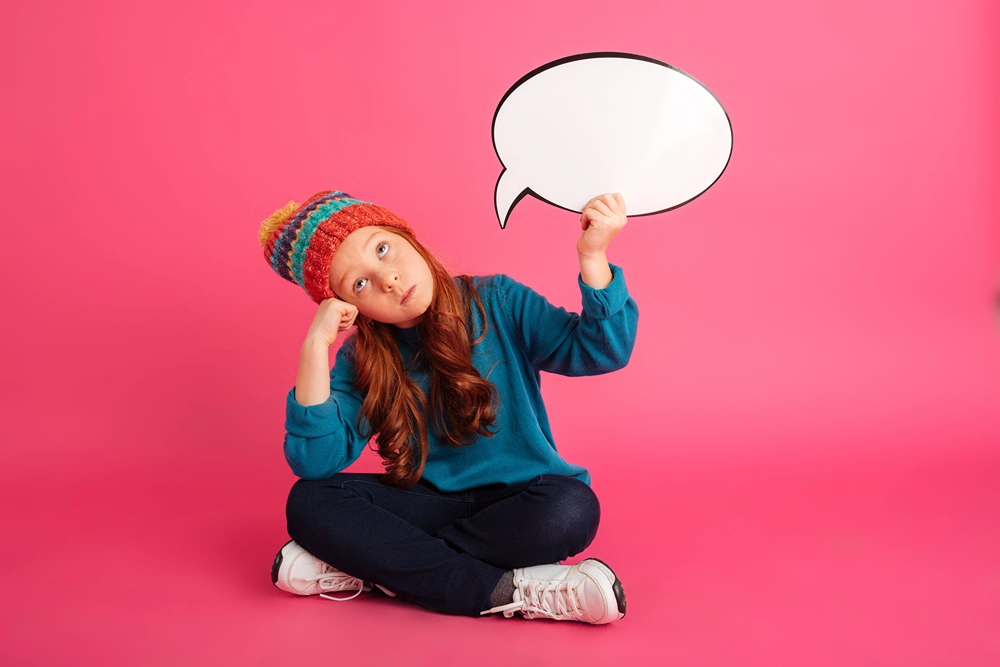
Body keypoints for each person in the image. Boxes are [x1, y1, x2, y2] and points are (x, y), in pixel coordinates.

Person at [258, 189, 638, 624]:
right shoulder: (361, 356)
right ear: (349, 306)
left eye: (383, 250)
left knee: (572, 509)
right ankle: (512, 590)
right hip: (426, 503)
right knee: (309, 500)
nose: (389, 281)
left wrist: (593, 257)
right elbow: (315, 461)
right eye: (359, 284)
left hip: (521, 503)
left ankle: (377, 569)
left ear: (406, 237)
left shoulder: (498, 300)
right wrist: (315, 345)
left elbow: (601, 350)